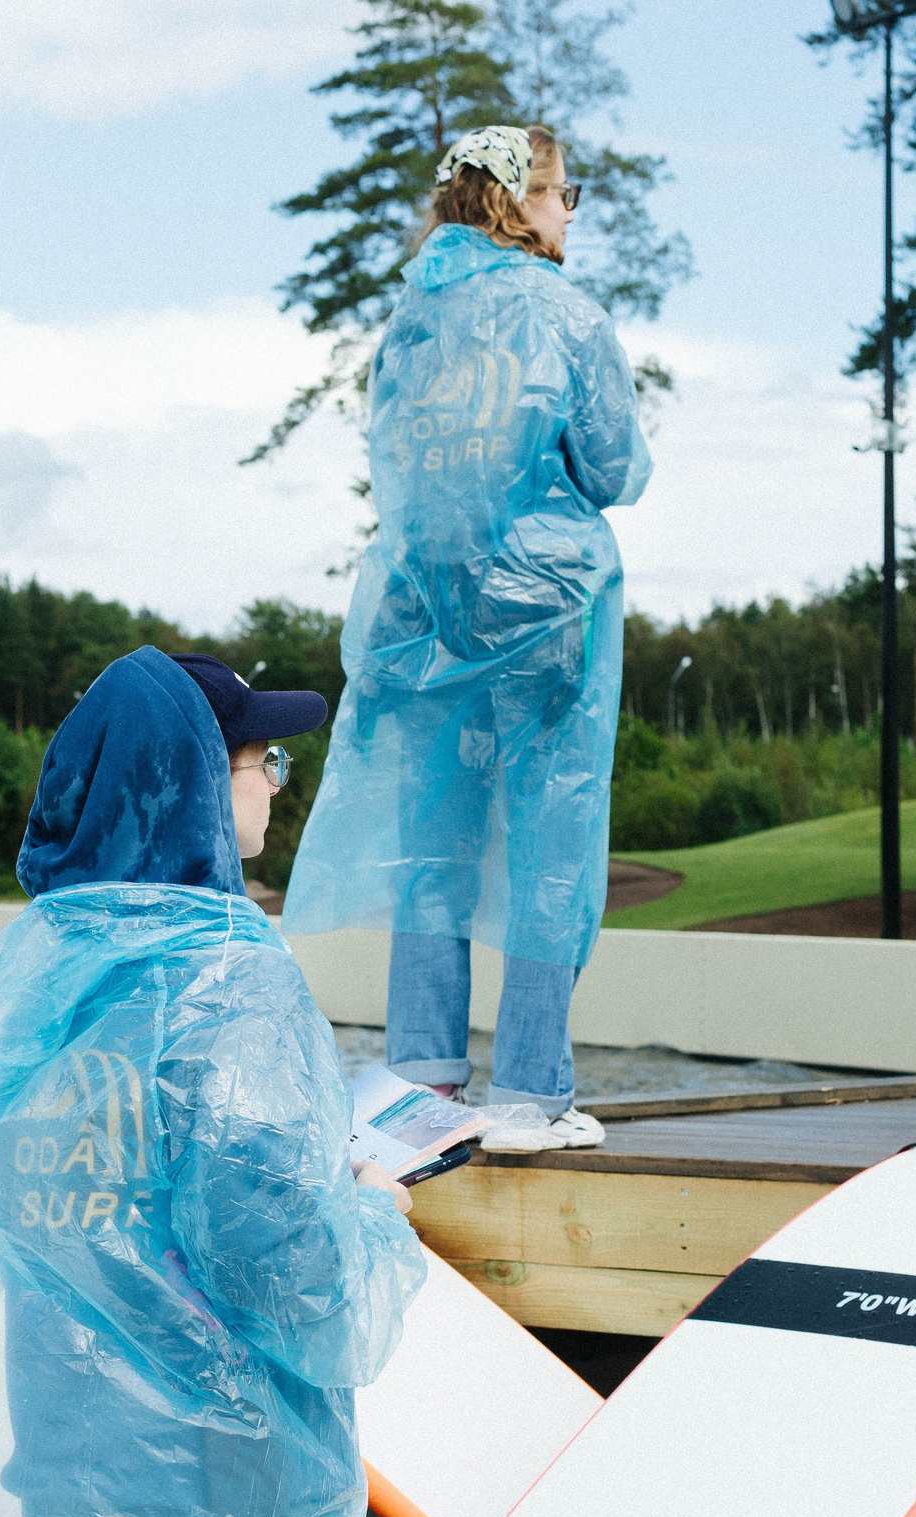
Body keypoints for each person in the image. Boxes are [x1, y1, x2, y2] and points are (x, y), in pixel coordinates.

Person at [0, 645, 427, 1517]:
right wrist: (371, 1213)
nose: (274, 784)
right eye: (261, 760)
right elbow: (296, 1285)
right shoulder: (227, 982)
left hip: (70, 1491)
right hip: (232, 1510)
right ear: (192, 778)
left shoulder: (38, 983)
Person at [283, 123, 650, 1153]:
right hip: (543, 599)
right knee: (550, 839)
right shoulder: (564, 313)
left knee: (429, 842)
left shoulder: (410, 323)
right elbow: (614, 467)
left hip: (422, 607)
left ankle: (421, 1083)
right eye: (564, 195)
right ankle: (530, 1095)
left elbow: (401, 469)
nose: (569, 212)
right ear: (522, 199)